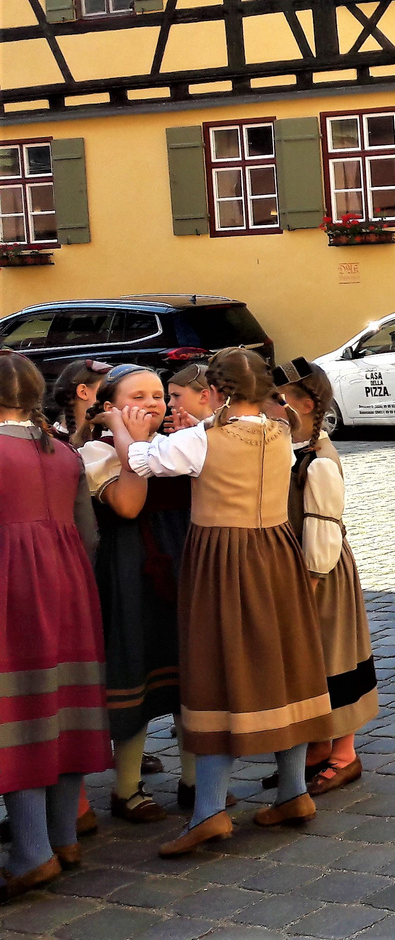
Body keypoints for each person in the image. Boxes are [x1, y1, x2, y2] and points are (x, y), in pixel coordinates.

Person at [124, 347, 333, 857]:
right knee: (285, 663)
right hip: (276, 552)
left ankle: (210, 812)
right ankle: (293, 793)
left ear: (214, 391)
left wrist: (128, 426)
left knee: (217, 669)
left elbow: (143, 462)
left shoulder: (202, 438)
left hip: (222, 559)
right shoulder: (281, 432)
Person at [1, 352, 109, 898]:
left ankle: (30, 852)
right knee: (65, 708)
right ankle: (63, 838)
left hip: (13, 589)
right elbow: (90, 537)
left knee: (17, 710)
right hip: (70, 587)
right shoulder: (63, 451)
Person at [76, 365, 188, 823]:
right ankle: (127, 788)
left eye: (159, 395)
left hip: (184, 558)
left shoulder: (179, 443)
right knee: (135, 670)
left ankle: (196, 780)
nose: (154, 403)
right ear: (110, 409)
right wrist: (129, 442)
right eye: (138, 396)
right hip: (130, 568)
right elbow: (128, 503)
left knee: (190, 672)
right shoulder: (95, 451)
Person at [269, 360, 377, 796]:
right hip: (298, 571)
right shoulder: (288, 452)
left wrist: (310, 582)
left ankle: (344, 753)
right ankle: (315, 748)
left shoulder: (319, 462)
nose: (271, 407)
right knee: (308, 665)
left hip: (321, 574)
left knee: (334, 660)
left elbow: (323, 527)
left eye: (279, 400)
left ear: (307, 405)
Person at [46, 358, 108, 444]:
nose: (114, 397)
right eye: (106, 390)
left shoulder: (112, 438)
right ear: (83, 392)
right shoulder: (48, 442)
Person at [166, 363, 218, 432]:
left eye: (176, 395)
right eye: (169, 397)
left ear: (203, 396)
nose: (170, 404)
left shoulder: (229, 429)